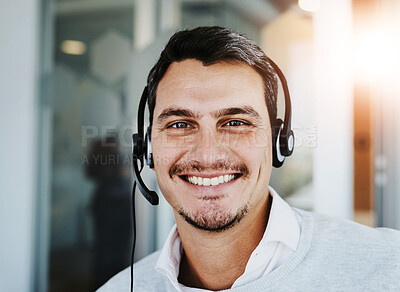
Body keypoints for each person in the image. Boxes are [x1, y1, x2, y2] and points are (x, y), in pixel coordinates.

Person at [98, 26, 400, 291]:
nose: (207, 154)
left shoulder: (388, 267)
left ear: (278, 141)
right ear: (147, 148)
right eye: (179, 125)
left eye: (236, 122)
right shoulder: (122, 288)